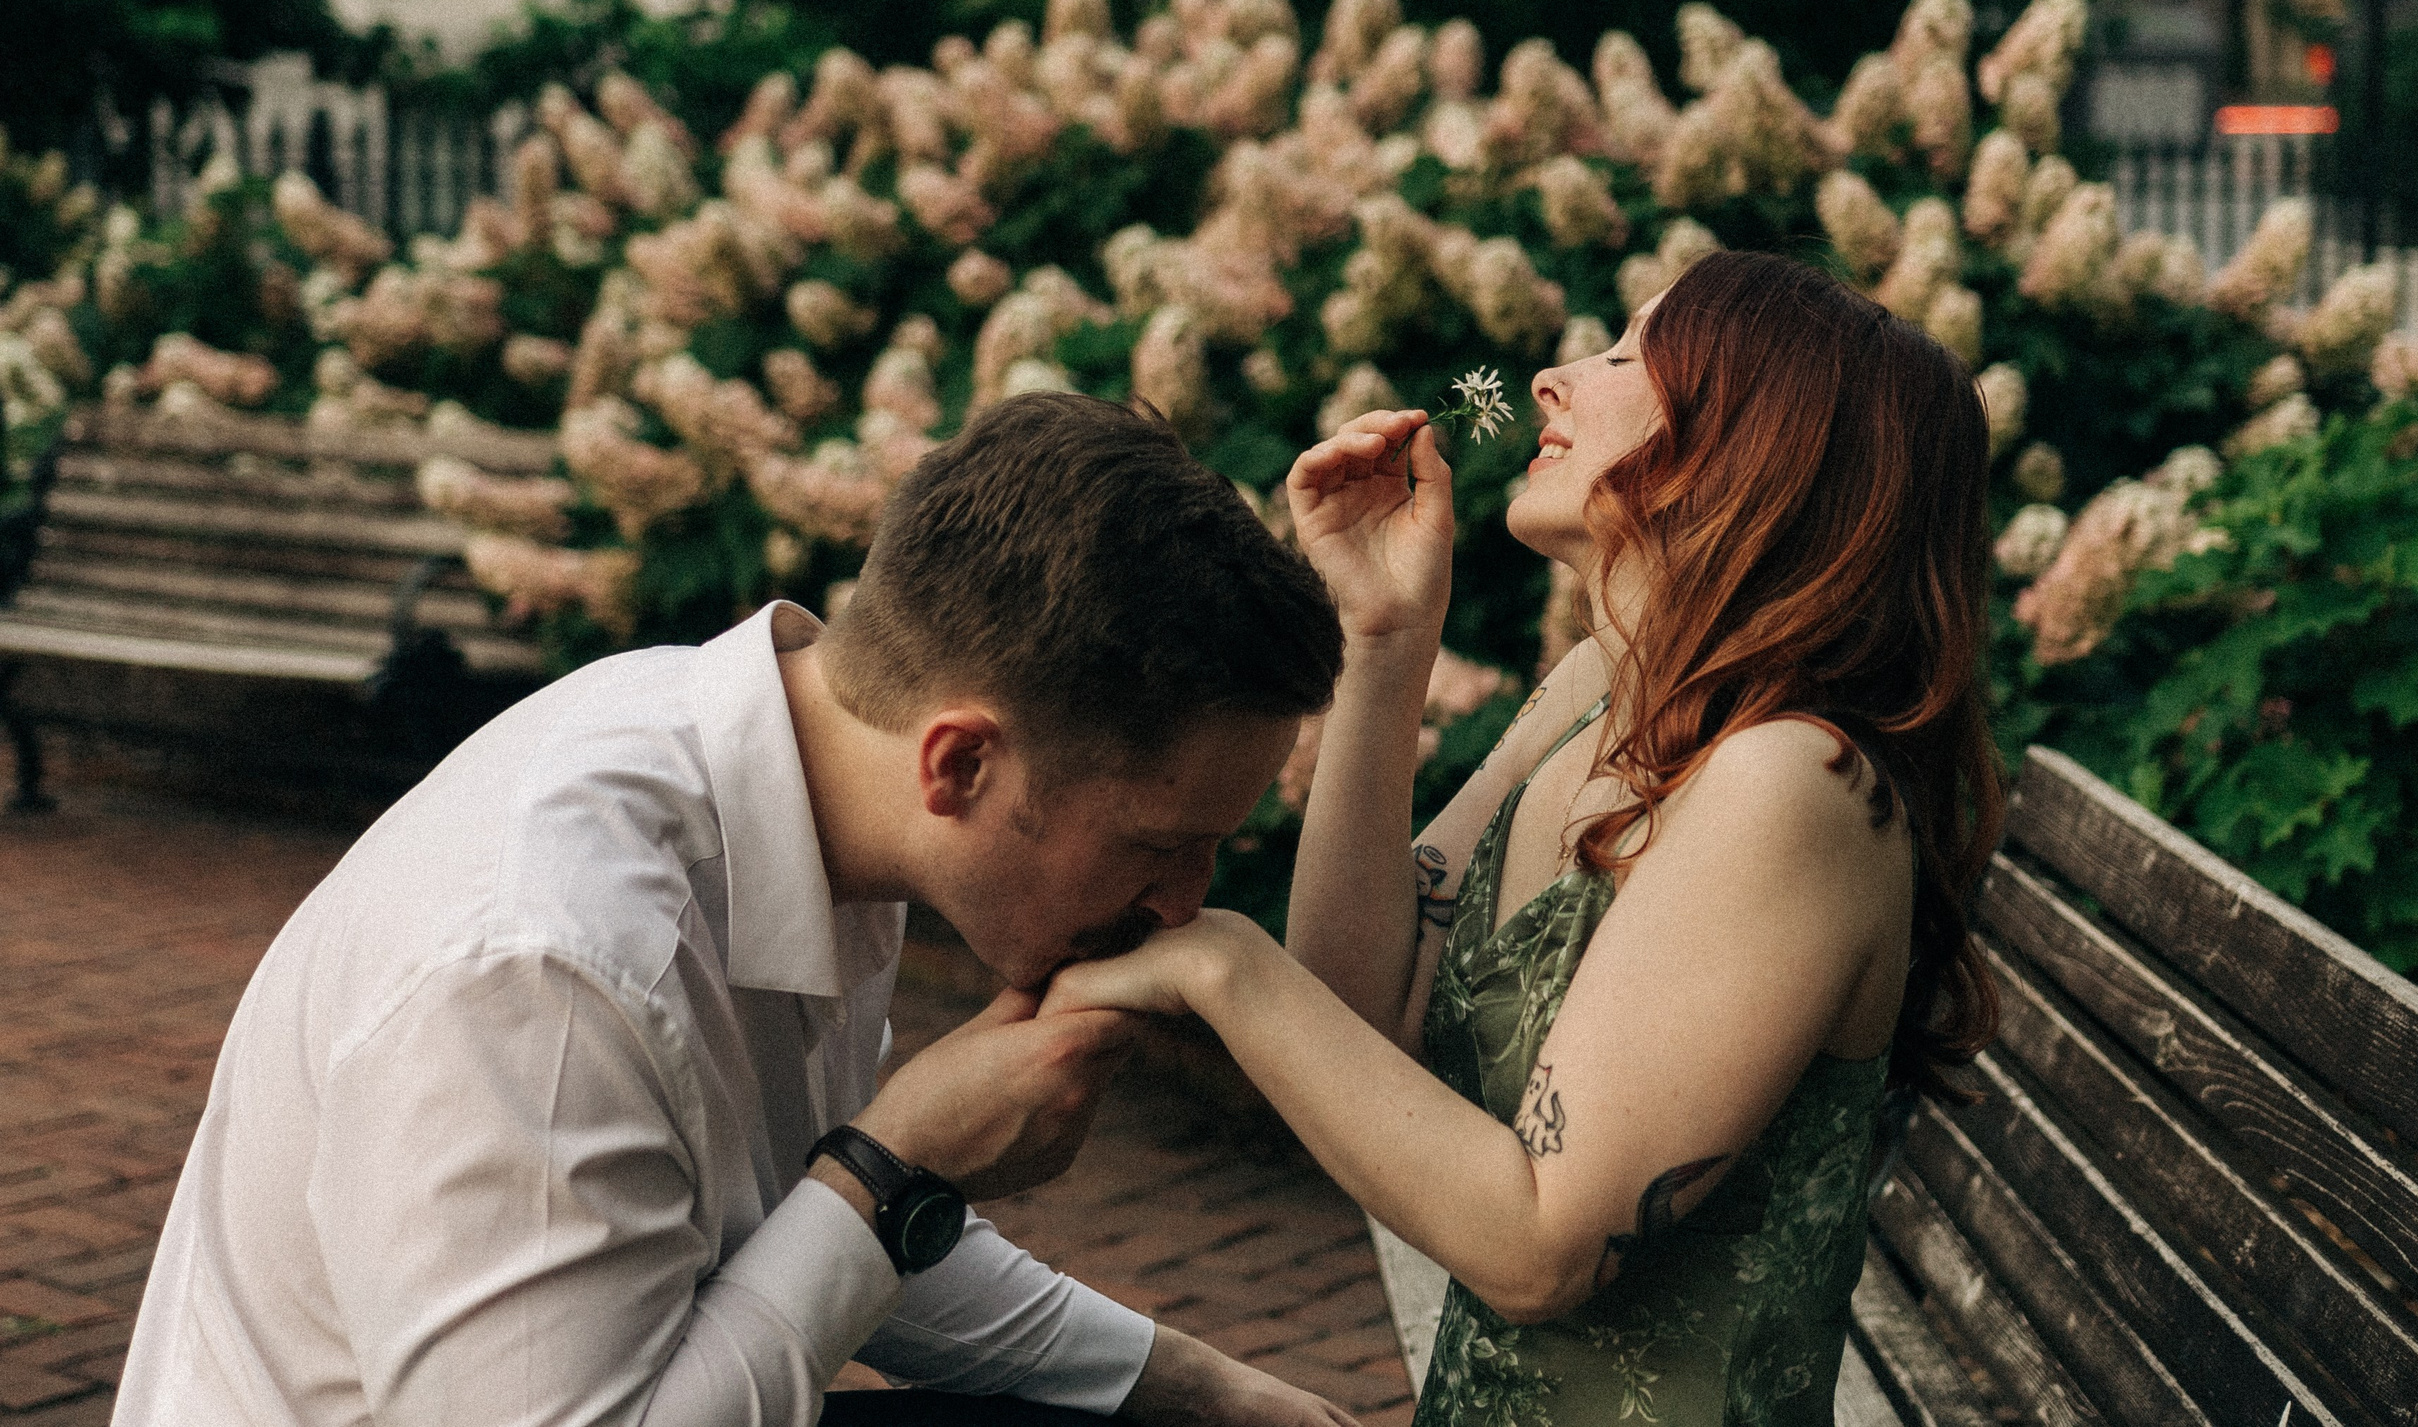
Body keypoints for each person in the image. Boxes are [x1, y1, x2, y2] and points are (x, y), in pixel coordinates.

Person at [114, 393, 1362, 1427]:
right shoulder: (547, 969)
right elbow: (837, 1224)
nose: (1185, 905)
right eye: (1161, 845)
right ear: (960, 766)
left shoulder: (802, 789)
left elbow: (799, 1242)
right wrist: (891, 1165)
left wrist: (1207, 1391)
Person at [1040, 252, 2004, 1425]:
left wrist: (1218, 960)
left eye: (1619, 358)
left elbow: (1542, 1247)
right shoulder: (1598, 690)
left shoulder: (1790, 782)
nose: (1550, 380)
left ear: (1755, 447)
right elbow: (1364, 1006)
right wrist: (1385, 639)